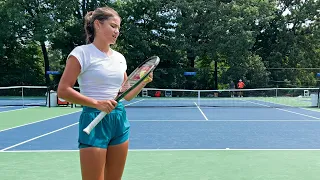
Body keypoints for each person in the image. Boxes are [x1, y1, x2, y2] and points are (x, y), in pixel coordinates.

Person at [57, 6, 152, 180]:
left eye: (119, 28)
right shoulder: (81, 53)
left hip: (119, 119)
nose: (117, 31)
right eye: (113, 26)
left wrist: (143, 81)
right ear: (98, 25)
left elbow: (127, 94)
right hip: (94, 118)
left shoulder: (120, 58)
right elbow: (63, 91)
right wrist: (96, 103)